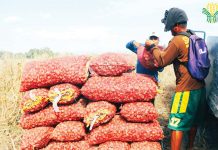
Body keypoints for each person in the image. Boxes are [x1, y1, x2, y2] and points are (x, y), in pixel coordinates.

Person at [145, 8, 207, 150]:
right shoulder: (193, 36)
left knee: (176, 125)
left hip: (185, 91)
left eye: (171, 28)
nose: (170, 31)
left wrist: (152, 47)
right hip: (200, 88)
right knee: (193, 121)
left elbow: (161, 61)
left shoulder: (177, 40)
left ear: (176, 26)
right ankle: (190, 147)